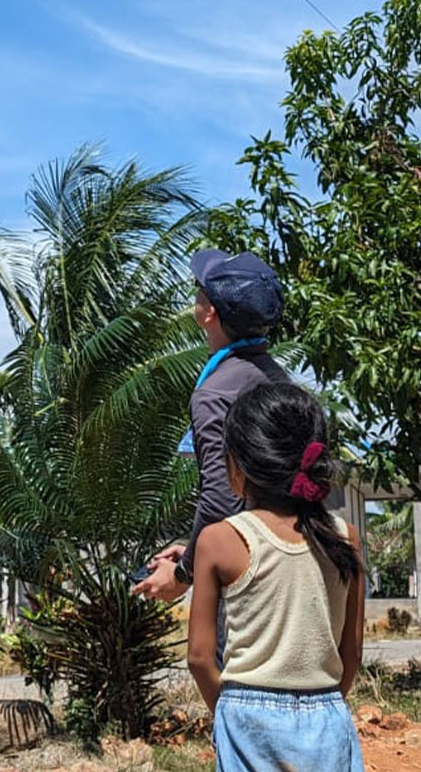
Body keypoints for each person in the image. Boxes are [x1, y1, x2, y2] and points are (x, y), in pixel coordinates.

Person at [187, 382, 365, 771]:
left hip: (247, 716)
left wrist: (233, 710)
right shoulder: (346, 538)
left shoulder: (219, 540)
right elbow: (350, 655)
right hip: (327, 716)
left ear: (236, 465)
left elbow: (200, 658)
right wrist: (321, 703)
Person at [133, 249, 290, 608]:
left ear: (210, 314)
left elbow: (221, 496)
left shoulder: (216, 392)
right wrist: (193, 546)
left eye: (199, 289)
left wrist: (184, 573)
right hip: (290, 559)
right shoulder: (279, 379)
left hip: (245, 580)